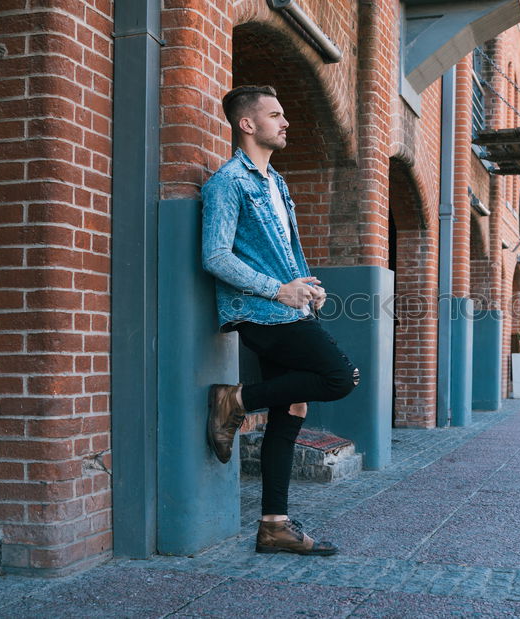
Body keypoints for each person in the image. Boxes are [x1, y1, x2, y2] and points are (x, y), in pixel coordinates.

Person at [201, 85, 359, 556]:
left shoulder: (278, 183)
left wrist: (304, 287)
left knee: (290, 412)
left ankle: (273, 525)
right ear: (247, 124)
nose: (285, 122)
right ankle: (235, 399)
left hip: (288, 308)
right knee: (338, 377)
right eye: (275, 114)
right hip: (260, 313)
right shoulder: (228, 182)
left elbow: (283, 252)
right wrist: (279, 290)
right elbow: (214, 255)